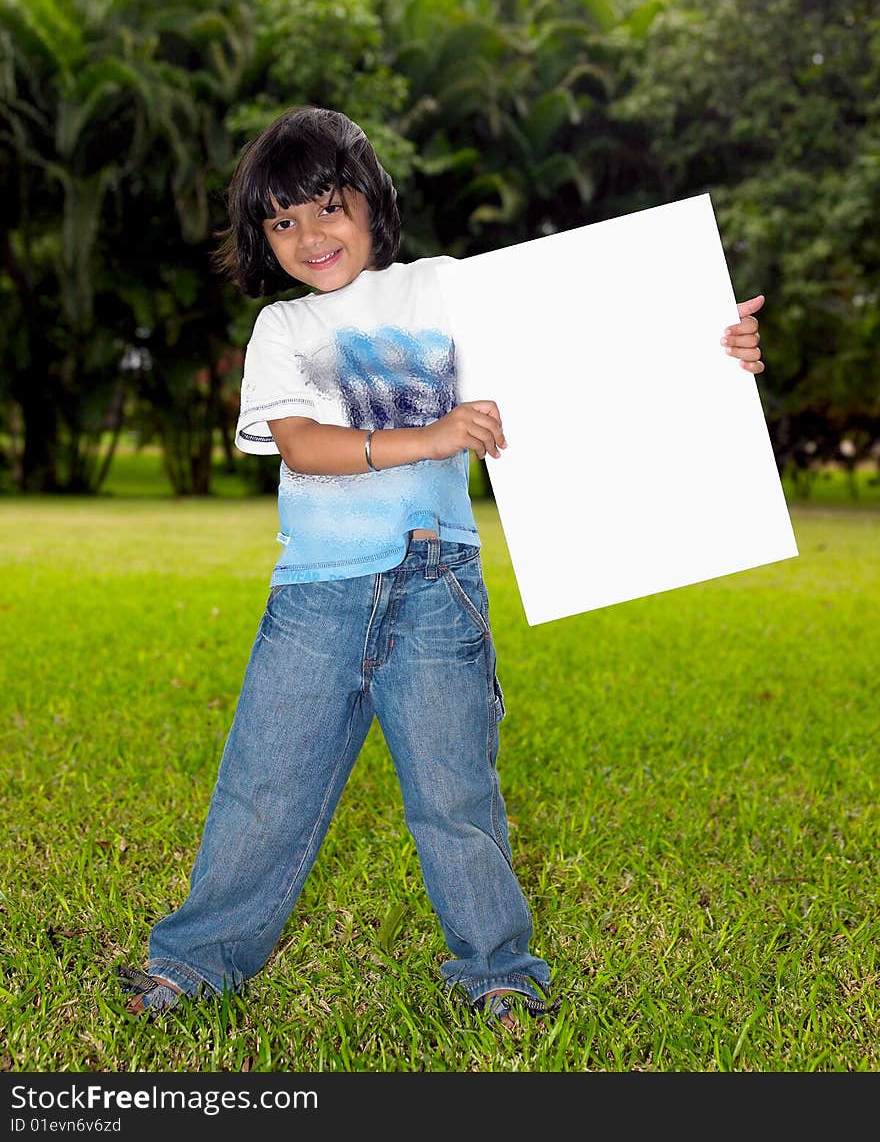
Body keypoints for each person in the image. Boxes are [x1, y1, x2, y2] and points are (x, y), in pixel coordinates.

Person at [118, 105, 765, 1032]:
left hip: (438, 588)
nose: (309, 236)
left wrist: (711, 347)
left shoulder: (449, 290)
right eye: (282, 221)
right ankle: (193, 961)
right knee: (265, 786)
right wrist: (428, 433)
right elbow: (301, 444)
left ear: (373, 204)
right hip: (317, 595)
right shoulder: (284, 328)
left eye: (327, 207)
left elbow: (582, 351)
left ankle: (500, 972)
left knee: (456, 796)